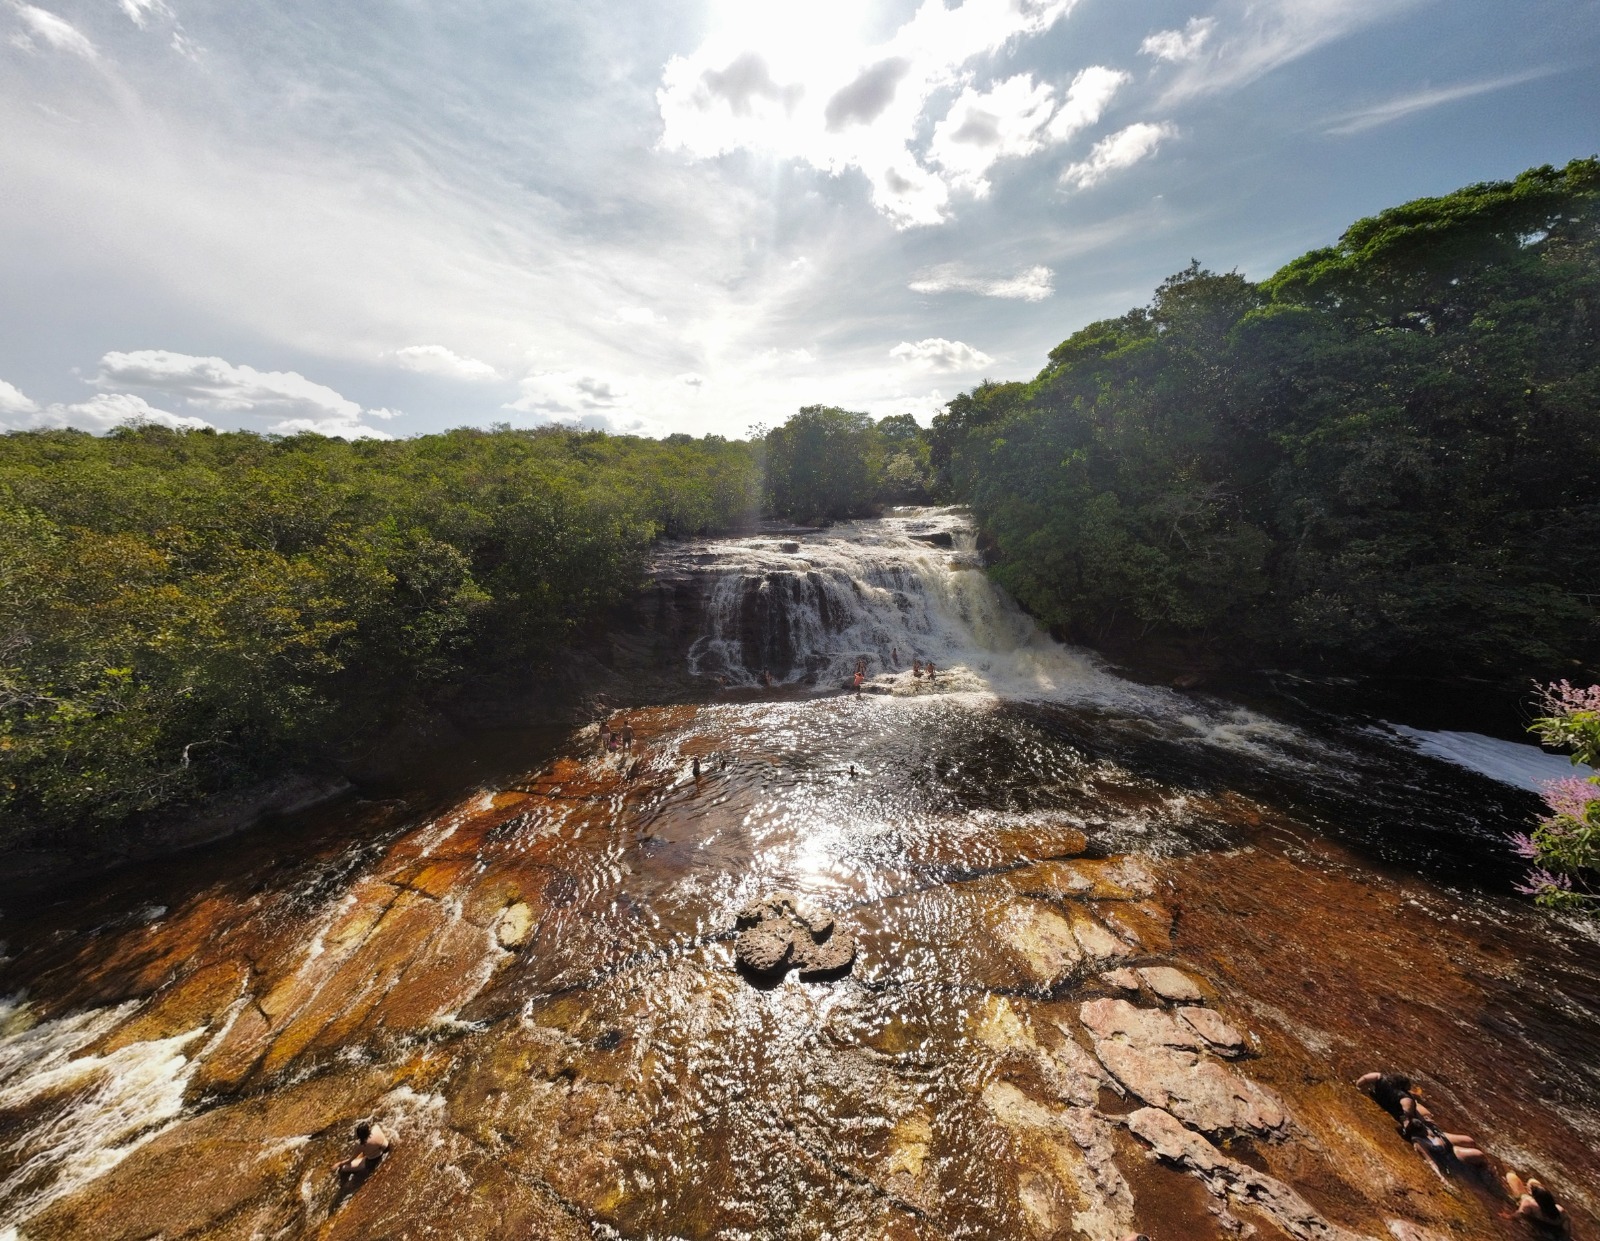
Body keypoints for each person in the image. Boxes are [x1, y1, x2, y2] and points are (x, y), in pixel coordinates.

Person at [334, 1120, 391, 1184]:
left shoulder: (361, 1146)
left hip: (373, 1161)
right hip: (385, 1150)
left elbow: (350, 1160)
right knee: (365, 1153)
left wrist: (339, 1164)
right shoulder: (376, 1128)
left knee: (344, 1168)